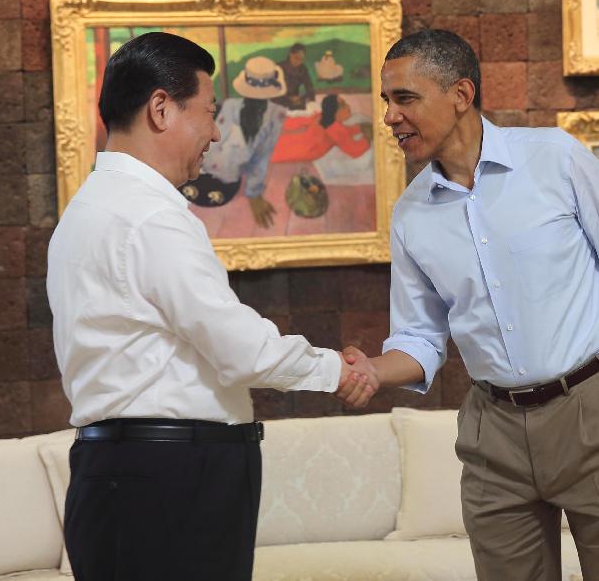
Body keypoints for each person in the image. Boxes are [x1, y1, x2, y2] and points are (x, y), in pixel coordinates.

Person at [339, 29, 599, 581]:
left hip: (595, 412)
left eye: (404, 98)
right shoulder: (411, 215)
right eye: (387, 101)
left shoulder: (554, 158)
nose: (390, 116)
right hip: (493, 433)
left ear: (461, 94)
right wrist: (372, 369)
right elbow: (418, 340)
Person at [46, 32, 377, 581]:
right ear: (160, 109)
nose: (216, 132)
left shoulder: (86, 211)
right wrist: (333, 371)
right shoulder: (151, 215)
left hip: (116, 474)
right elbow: (239, 349)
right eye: (207, 112)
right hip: (170, 479)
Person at [182, 55, 287, 227]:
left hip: (227, 180)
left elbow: (261, 158)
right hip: (195, 170)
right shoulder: (229, 106)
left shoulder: (275, 116)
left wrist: (254, 193)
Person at [270, 94, 372, 163]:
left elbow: (345, 131)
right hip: (305, 149)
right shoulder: (334, 128)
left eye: (345, 103)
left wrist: (359, 128)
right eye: (343, 105)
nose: (348, 107)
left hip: (298, 141)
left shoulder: (323, 118)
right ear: (334, 111)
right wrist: (367, 138)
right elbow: (354, 150)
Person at [274, 42, 315, 110]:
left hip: (295, 100)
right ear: (290, 54)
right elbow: (272, 90)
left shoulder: (302, 69)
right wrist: (287, 98)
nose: (298, 61)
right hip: (279, 99)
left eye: (301, 59)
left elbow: (309, 87)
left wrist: (302, 98)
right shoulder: (279, 67)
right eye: (296, 57)